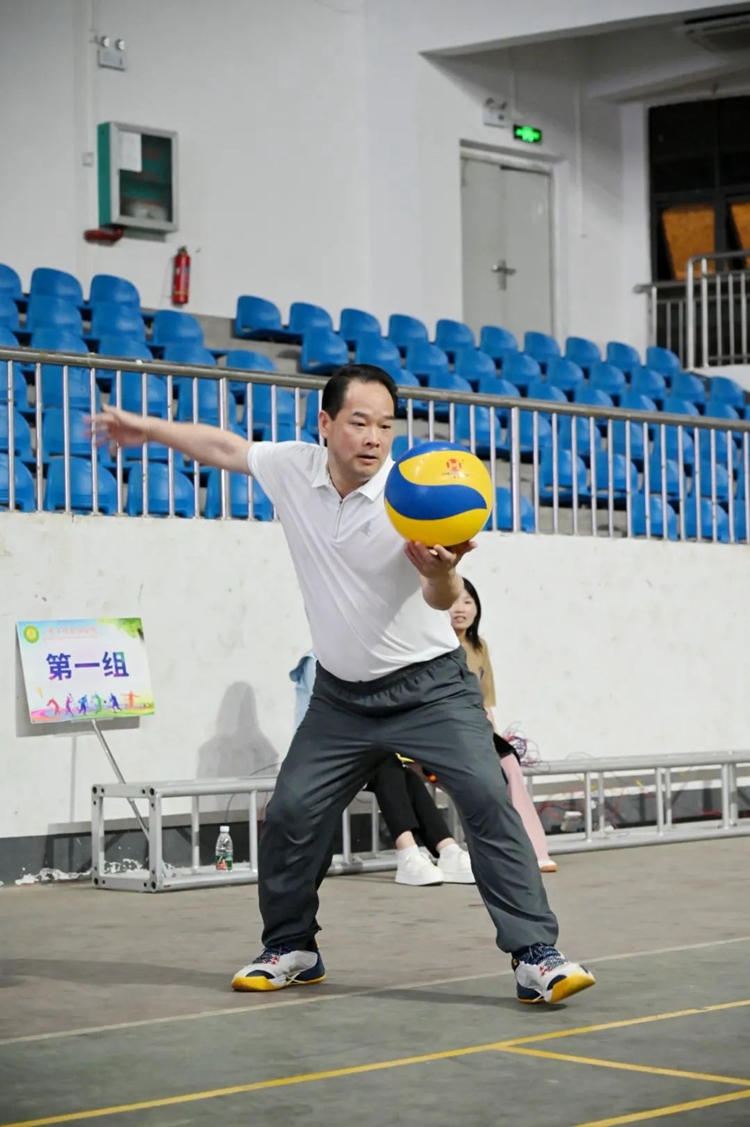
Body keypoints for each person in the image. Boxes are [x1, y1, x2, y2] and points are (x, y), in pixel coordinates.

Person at [92, 363, 595, 1006]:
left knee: (487, 800)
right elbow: (223, 447)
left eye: (386, 425)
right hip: (341, 697)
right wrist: (146, 428)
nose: (374, 437)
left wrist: (441, 571)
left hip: (431, 690)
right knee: (291, 814)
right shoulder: (293, 469)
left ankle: (535, 956)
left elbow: (443, 597)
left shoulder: (409, 497)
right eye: (360, 422)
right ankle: (292, 947)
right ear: (326, 424)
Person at [291, 652, 474, 886]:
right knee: (383, 761)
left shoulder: (365, 658)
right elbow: (329, 719)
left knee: (402, 772)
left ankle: (446, 849)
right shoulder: (322, 661)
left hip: (362, 750)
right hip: (325, 755)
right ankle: (408, 851)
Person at [449, 579, 558, 874]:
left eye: (468, 601)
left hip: (477, 729)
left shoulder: (478, 646)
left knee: (509, 763)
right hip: (448, 731)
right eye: (454, 601)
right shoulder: (437, 646)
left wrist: (495, 737)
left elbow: (485, 702)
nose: (460, 608)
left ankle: (534, 849)